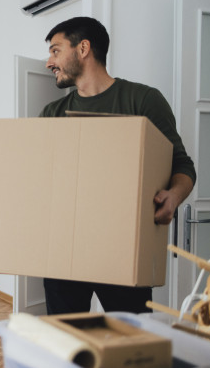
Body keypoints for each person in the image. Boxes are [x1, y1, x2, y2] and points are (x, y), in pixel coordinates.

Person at [40, 16, 196, 315]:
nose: (50, 62)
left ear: (83, 48)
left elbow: (182, 164)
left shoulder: (142, 100)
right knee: (68, 344)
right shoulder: (53, 112)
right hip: (65, 251)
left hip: (124, 248)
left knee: (132, 343)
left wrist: (174, 197)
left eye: (56, 50)